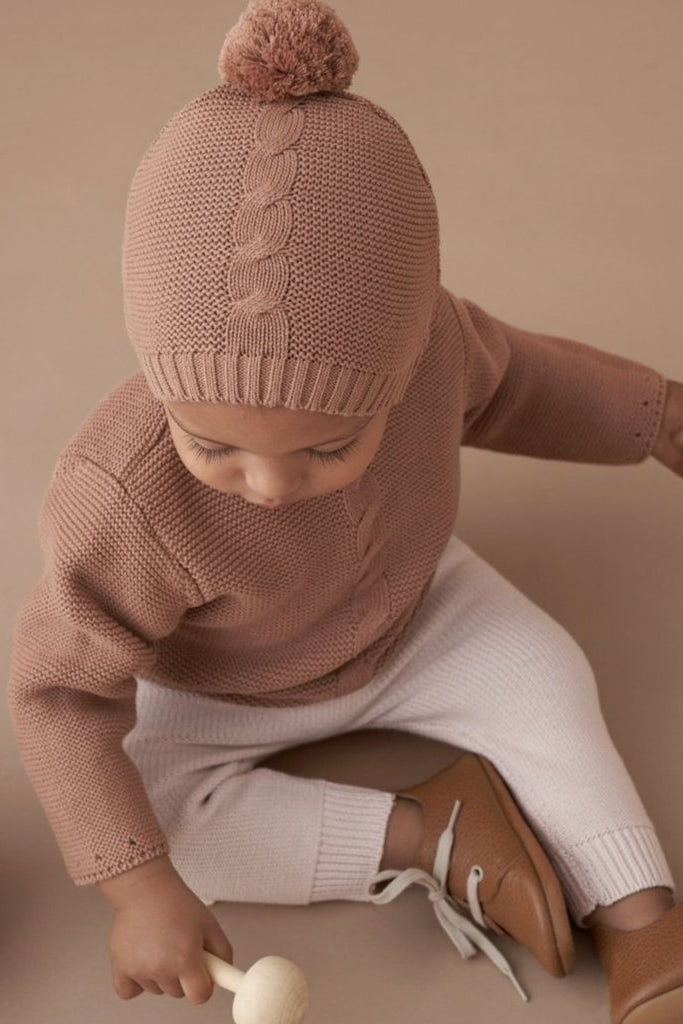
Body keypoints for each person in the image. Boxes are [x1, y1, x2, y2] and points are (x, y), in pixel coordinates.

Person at [7, 0, 683, 1019]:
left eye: (327, 447)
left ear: (407, 358)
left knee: (542, 674)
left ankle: (637, 912)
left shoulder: (431, 353)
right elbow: (58, 697)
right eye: (212, 445)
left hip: (420, 616)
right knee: (149, 828)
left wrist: (655, 414)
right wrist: (136, 884)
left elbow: (526, 383)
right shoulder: (120, 497)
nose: (269, 484)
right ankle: (425, 830)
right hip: (218, 687)